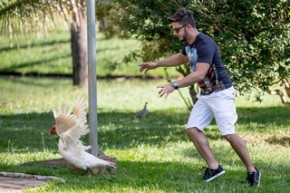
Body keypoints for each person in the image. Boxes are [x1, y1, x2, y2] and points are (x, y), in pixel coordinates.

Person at [139, 8, 261, 186]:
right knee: (192, 129)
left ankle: (252, 170)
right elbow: (181, 58)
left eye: (177, 29)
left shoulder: (205, 43)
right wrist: (156, 64)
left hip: (221, 93)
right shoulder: (189, 43)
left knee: (228, 133)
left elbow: (199, 74)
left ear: (188, 26)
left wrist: (173, 85)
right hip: (205, 94)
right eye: (174, 29)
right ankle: (214, 167)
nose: (175, 33)